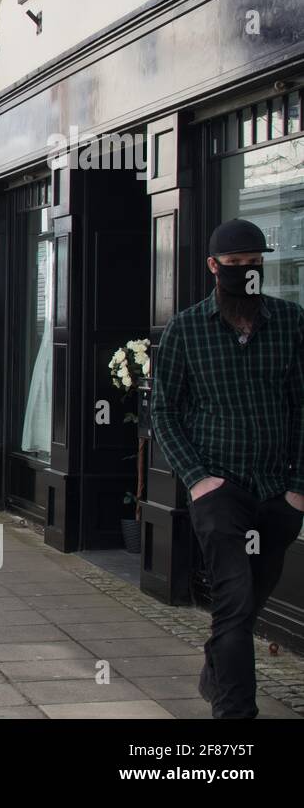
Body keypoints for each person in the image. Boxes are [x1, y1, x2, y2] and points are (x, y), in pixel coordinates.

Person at [151, 218, 304, 719]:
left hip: (277, 492)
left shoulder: (291, 323)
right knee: (234, 602)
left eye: (255, 265)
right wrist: (197, 479)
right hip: (219, 491)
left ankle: (217, 667)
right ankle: (235, 720)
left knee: (249, 602)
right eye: (236, 266)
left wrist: (298, 488)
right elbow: (163, 411)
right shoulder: (186, 329)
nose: (247, 274)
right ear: (214, 267)